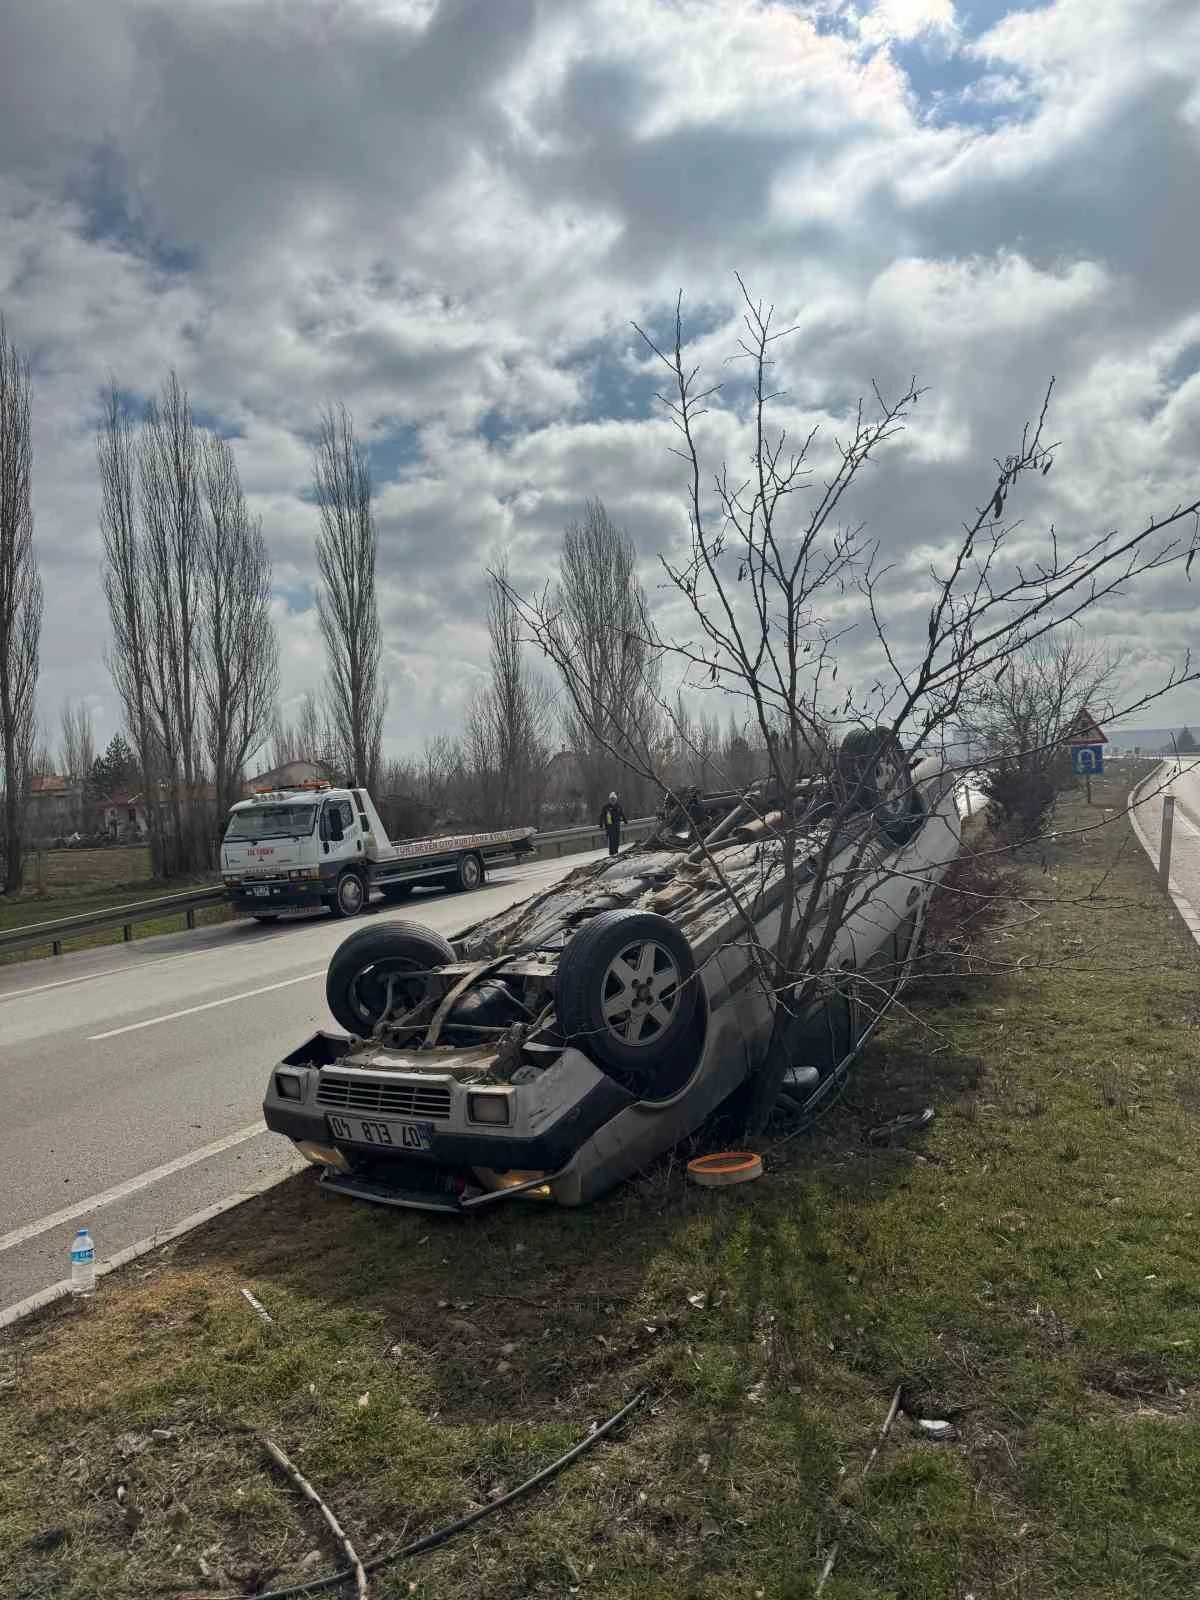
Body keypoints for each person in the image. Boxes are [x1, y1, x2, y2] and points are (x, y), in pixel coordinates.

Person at [600, 791, 626, 856]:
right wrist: (601, 824)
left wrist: (625, 821)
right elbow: (602, 816)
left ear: (616, 799)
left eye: (614, 799)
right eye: (612, 799)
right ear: (609, 800)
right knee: (611, 840)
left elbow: (622, 814)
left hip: (617, 825)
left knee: (617, 839)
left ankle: (616, 852)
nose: (613, 800)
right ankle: (611, 853)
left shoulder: (618, 806)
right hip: (610, 826)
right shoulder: (606, 807)